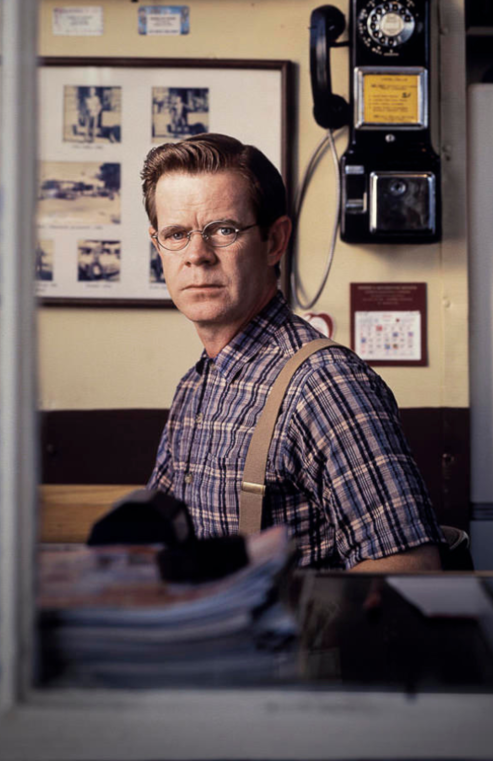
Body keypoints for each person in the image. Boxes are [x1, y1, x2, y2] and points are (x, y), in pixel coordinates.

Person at [140, 133, 445, 571]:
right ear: (158, 247)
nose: (197, 255)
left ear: (275, 241)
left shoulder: (324, 385)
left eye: (223, 230)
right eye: (176, 234)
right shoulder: (195, 386)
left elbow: (407, 571)